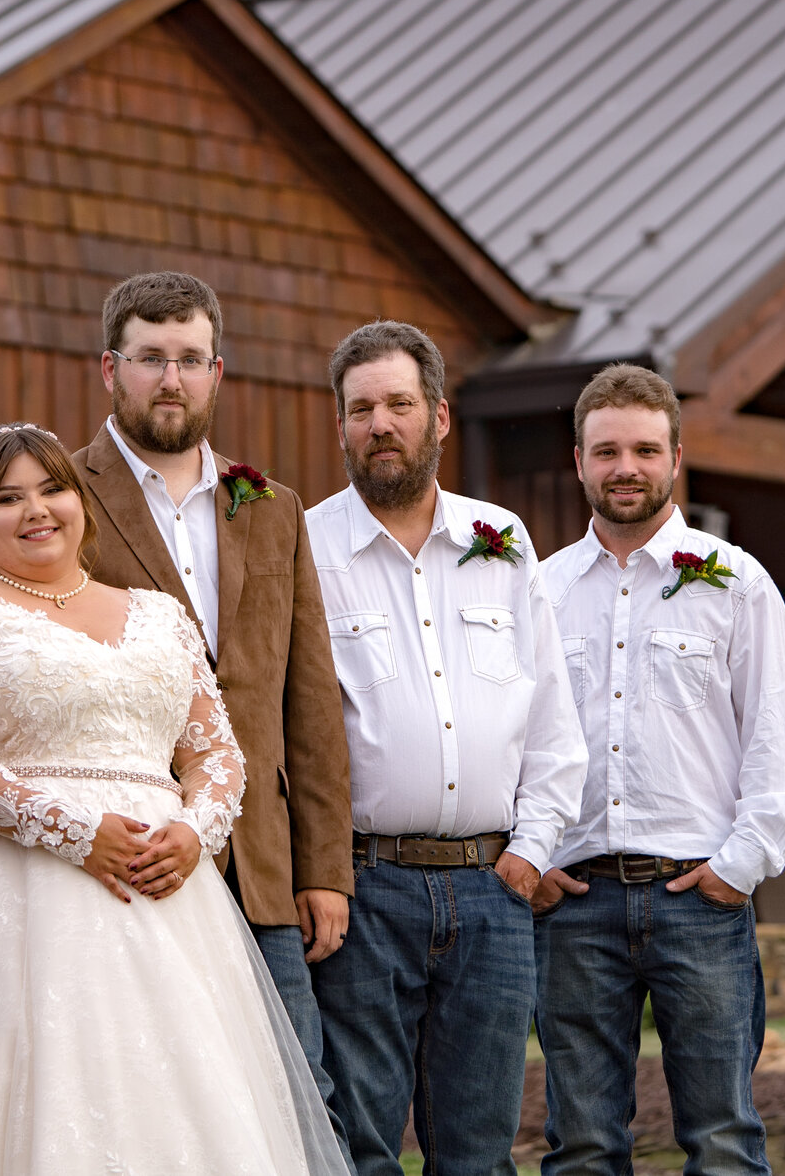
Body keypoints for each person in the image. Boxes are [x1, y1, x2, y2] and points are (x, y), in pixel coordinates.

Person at [0, 423, 351, 1176]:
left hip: (170, 888)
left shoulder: (158, 613)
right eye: (7, 497)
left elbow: (216, 752)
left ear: (79, 499)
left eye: (51, 489)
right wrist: (76, 832)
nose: (35, 510)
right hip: (27, 894)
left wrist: (194, 829)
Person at [304, 321, 588, 1176]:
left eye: (397, 404)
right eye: (361, 409)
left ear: (440, 417)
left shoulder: (501, 543)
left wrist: (532, 852)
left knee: (479, 1153)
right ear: (342, 425)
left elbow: (551, 714)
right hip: (364, 889)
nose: (379, 424)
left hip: (493, 891)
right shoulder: (304, 547)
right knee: (363, 1149)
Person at [74, 271, 354, 1101]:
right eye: (151, 357)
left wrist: (325, 869)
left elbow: (310, 702)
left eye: (190, 359)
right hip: (134, 849)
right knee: (147, 1091)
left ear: (217, 371)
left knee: (296, 1089)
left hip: (263, 864)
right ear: (109, 368)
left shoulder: (271, 506)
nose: (172, 378)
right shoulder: (60, 496)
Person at [531, 364, 785, 1176]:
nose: (628, 467)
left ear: (677, 457)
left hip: (701, 897)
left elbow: (778, 744)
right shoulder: (540, 590)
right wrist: (537, 859)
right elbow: (513, 738)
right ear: (578, 459)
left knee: (723, 1136)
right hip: (575, 903)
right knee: (582, 1144)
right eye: (608, 450)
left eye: (646, 450)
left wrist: (738, 868)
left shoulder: (736, 583)